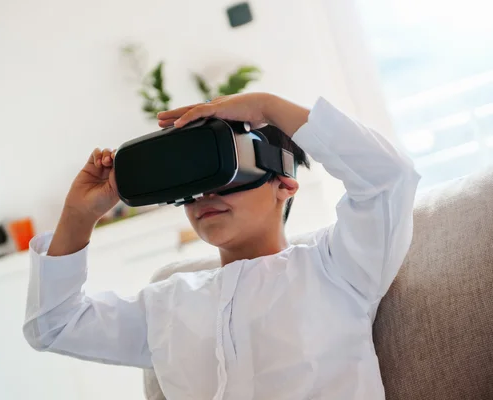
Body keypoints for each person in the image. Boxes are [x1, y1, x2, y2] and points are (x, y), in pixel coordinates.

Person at [23, 92, 420, 399]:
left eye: (223, 173)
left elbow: (388, 178)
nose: (205, 195)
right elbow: (53, 325)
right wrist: (79, 215)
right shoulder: (167, 306)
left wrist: (267, 105)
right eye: (192, 182)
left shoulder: (338, 267)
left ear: (283, 184)